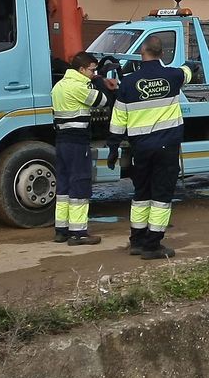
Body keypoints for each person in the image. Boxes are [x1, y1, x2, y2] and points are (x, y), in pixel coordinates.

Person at [108, 35, 192, 259]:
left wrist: (113, 148)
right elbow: (187, 72)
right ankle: (152, 245)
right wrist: (189, 66)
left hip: (141, 149)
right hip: (166, 147)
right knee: (161, 195)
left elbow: (118, 119)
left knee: (141, 193)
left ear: (141, 54)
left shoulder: (127, 82)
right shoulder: (173, 76)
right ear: (162, 54)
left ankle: (136, 240)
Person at [51, 51, 107, 245]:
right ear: (81, 69)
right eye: (92, 70)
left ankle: (61, 230)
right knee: (80, 184)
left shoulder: (58, 86)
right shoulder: (78, 88)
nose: (94, 73)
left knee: (64, 186)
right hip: (77, 143)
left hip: (62, 141)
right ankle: (79, 233)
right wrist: (100, 82)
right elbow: (102, 101)